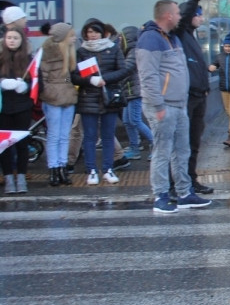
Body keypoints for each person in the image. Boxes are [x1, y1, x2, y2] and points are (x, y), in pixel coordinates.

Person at [138, 0, 211, 213]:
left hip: (179, 104)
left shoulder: (172, 38)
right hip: (163, 106)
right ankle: (160, 195)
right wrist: (158, 105)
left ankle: (184, 192)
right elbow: (148, 76)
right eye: (178, 13)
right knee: (163, 151)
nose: (181, 17)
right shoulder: (151, 38)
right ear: (168, 15)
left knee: (182, 150)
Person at [72, 19, 131, 187]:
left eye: (95, 32)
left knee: (107, 135)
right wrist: (91, 80)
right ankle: (91, 170)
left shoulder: (113, 49)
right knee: (89, 136)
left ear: (102, 33)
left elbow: (123, 70)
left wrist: (104, 79)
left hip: (109, 97)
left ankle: (108, 169)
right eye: (89, 32)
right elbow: (74, 76)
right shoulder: (82, 51)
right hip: (88, 98)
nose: (92, 35)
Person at [174, 0, 213, 195]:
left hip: (200, 96)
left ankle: (190, 178)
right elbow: (185, 14)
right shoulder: (180, 33)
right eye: (198, 14)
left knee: (194, 141)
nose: (201, 18)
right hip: (188, 97)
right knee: (184, 142)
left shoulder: (190, 37)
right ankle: (180, 181)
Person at [39, 23, 78, 187]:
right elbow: (43, 79)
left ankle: (62, 167)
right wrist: (52, 94)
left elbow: (71, 76)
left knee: (64, 135)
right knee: (54, 135)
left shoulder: (70, 52)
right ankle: (53, 168)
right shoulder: (47, 53)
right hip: (54, 99)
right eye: (71, 35)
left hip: (67, 97)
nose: (74, 38)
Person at [0, 27, 33, 194]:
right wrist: (2, 83)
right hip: (4, 108)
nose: (12, 40)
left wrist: (25, 86)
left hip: (22, 107)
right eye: (9, 37)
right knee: (5, 145)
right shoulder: (1, 58)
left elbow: (36, 80)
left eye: (15, 38)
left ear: (21, 41)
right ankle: (8, 179)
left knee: (22, 144)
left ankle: (21, 177)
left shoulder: (28, 59)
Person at [119, 25, 154, 161]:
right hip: (128, 91)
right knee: (128, 121)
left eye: (122, 37)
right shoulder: (127, 51)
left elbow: (126, 68)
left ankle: (155, 144)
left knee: (135, 120)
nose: (119, 39)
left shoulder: (133, 52)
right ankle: (134, 147)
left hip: (135, 91)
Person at [209, 31, 230, 147]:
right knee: (229, 112)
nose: (227, 48)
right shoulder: (220, 57)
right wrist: (211, 67)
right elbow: (214, 64)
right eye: (225, 46)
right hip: (224, 88)